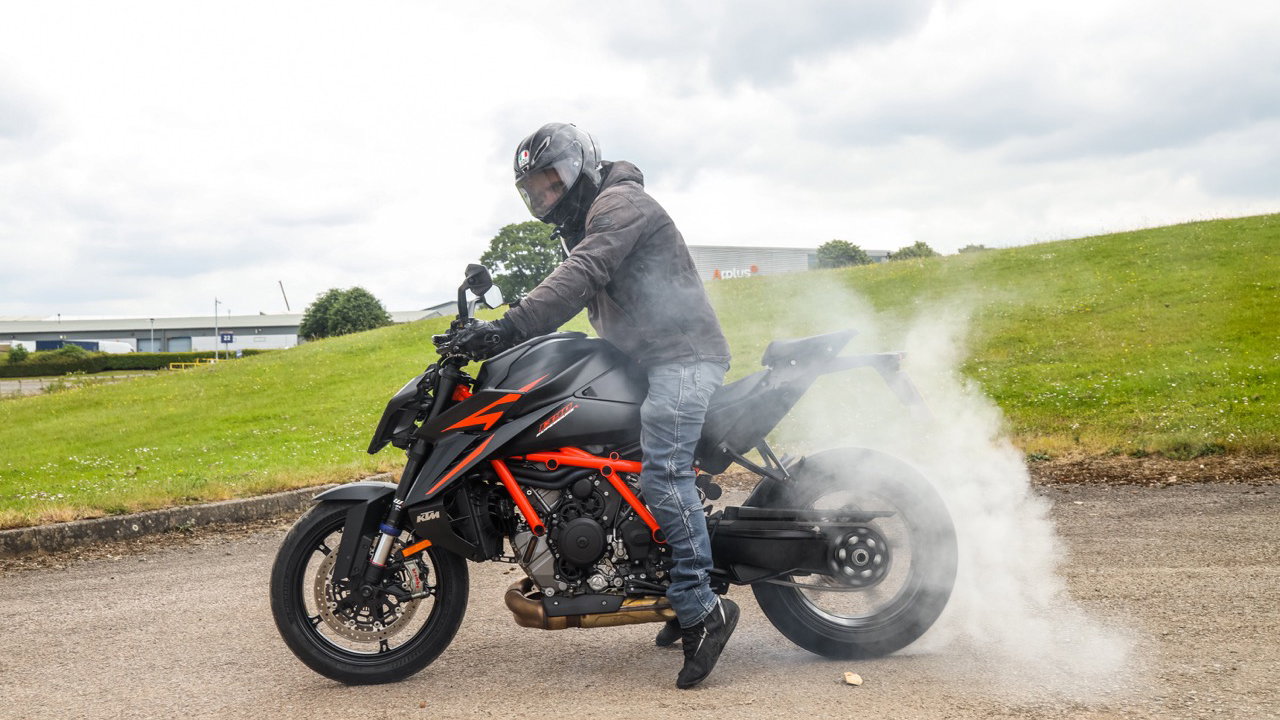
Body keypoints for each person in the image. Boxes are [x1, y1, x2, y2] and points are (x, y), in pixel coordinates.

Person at [454, 122, 737, 689]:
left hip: (682, 358)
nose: (545, 197)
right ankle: (663, 587)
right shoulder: (587, 219)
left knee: (663, 471)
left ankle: (702, 607)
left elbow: (582, 275)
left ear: (580, 165)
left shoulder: (618, 204)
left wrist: (507, 328)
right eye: (534, 190)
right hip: (644, 361)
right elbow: (573, 278)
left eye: (551, 182)